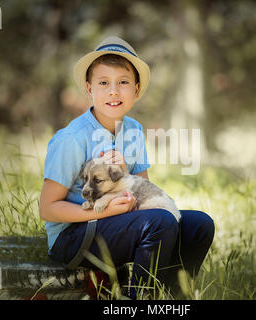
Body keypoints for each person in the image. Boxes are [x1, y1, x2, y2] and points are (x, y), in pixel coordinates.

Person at [39, 36, 215, 299]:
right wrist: (103, 212)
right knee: (161, 222)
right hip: (74, 237)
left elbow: (144, 192)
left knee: (200, 225)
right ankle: (137, 301)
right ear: (89, 89)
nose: (113, 91)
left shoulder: (133, 130)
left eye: (123, 82)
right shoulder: (72, 139)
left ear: (136, 88)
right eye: (103, 83)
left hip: (114, 220)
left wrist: (124, 172)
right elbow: (47, 209)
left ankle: (169, 298)